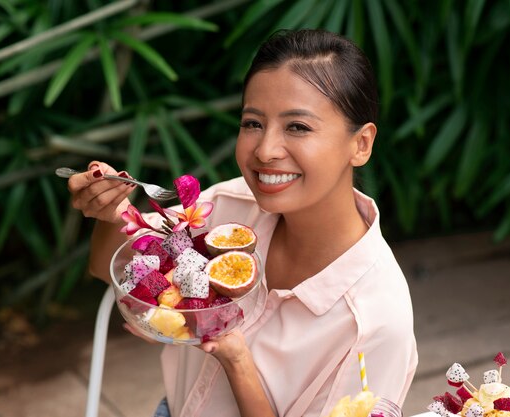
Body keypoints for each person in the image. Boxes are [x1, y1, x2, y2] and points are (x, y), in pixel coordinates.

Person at [68, 28, 418, 417]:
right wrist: (107, 211)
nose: (265, 150)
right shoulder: (228, 206)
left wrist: (237, 360)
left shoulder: (375, 320)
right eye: (252, 123)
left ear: (361, 144)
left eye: (297, 127)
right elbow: (106, 269)